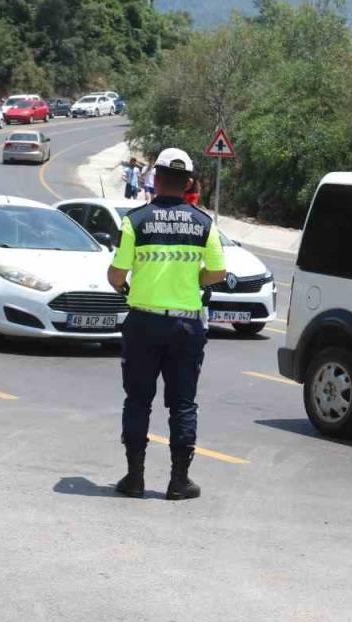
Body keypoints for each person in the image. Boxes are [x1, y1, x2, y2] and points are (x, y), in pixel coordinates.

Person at [107, 148, 227, 501]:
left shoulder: (135, 221)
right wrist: (193, 281)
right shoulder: (205, 224)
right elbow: (218, 273)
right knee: (183, 404)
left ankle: (134, 478)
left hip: (143, 323)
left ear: (155, 179)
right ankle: (178, 481)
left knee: (138, 400)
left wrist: (127, 285)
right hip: (186, 327)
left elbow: (116, 275)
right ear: (188, 183)